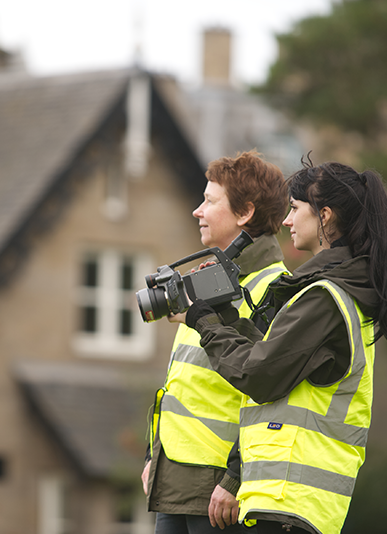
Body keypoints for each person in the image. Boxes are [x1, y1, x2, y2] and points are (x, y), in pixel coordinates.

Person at [178, 159, 387, 534]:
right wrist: (224, 317)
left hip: (289, 502)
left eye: (295, 209)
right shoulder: (341, 290)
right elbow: (276, 360)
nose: (287, 221)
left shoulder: (324, 297)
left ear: (325, 216)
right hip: (294, 502)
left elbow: (259, 374)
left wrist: (203, 322)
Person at [142, 150, 289, 534]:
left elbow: (271, 394)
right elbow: (182, 383)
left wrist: (236, 479)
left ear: (245, 214)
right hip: (175, 481)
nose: (197, 210)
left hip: (219, 493)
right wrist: (153, 457)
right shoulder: (207, 280)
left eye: (209, 201)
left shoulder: (274, 290)